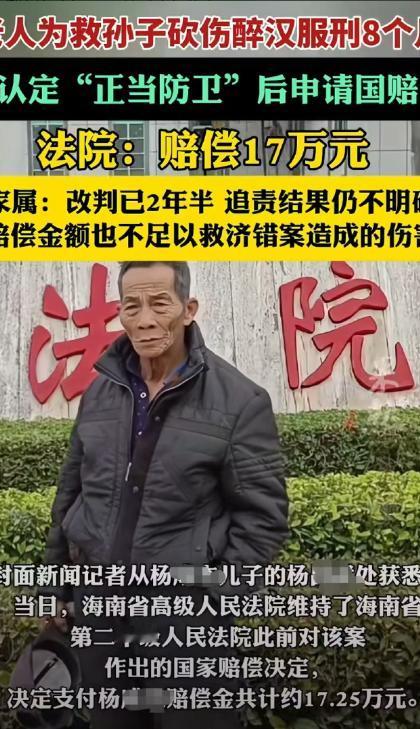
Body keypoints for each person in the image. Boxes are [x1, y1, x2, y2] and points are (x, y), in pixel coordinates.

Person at [38, 261, 289, 729]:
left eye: (159, 304)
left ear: (189, 309)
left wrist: (213, 601)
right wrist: (55, 586)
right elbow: (71, 494)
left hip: (184, 624)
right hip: (101, 615)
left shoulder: (240, 401)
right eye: (131, 306)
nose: (145, 320)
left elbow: (264, 519)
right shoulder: (100, 393)